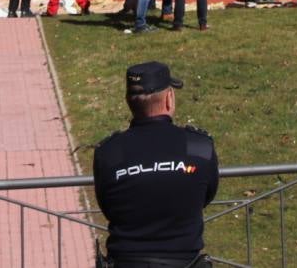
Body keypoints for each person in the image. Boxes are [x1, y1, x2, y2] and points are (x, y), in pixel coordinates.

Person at [93, 62, 219, 267]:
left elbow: (107, 205)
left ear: (128, 101)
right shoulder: (200, 147)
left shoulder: (108, 153)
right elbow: (206, 196)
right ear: (169, 98)